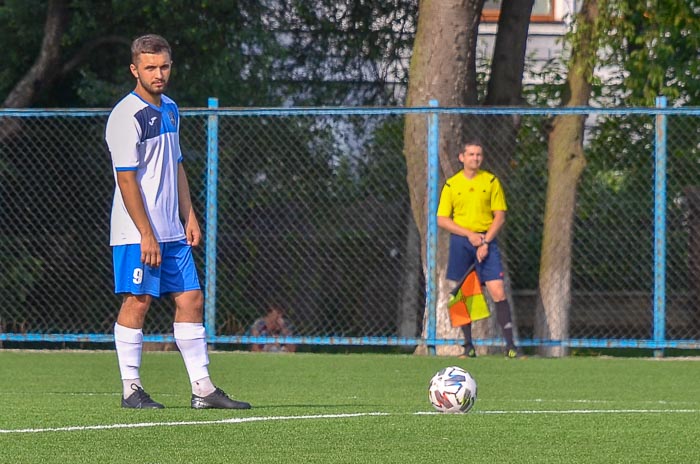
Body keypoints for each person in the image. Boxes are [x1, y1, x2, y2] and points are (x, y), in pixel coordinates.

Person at [105, 34, 251, 409]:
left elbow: (177, 165)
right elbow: (126, 179)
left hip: (171, 230)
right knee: (138, 301)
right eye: (150, 67)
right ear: (134, 69)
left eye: (164, 66)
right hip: (137, 232)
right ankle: (130, 389)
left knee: (191, 299)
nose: (159, 74)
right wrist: (145, 233)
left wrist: (189, 215)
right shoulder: (126, 115)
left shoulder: (170, 108)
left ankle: (202, 389)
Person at [437, 140, 520, 358]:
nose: (475, 158)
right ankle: (468, 347)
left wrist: (484, 242)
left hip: (487, 240)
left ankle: (511, 347)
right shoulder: (452, 185)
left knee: (498, 291)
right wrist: (469, 235)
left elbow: (500, 216)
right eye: (471, 154)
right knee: (465, 293)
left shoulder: (491, 181)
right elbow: (442, 219)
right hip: (462, 242)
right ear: (461, 157)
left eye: (479, 155)